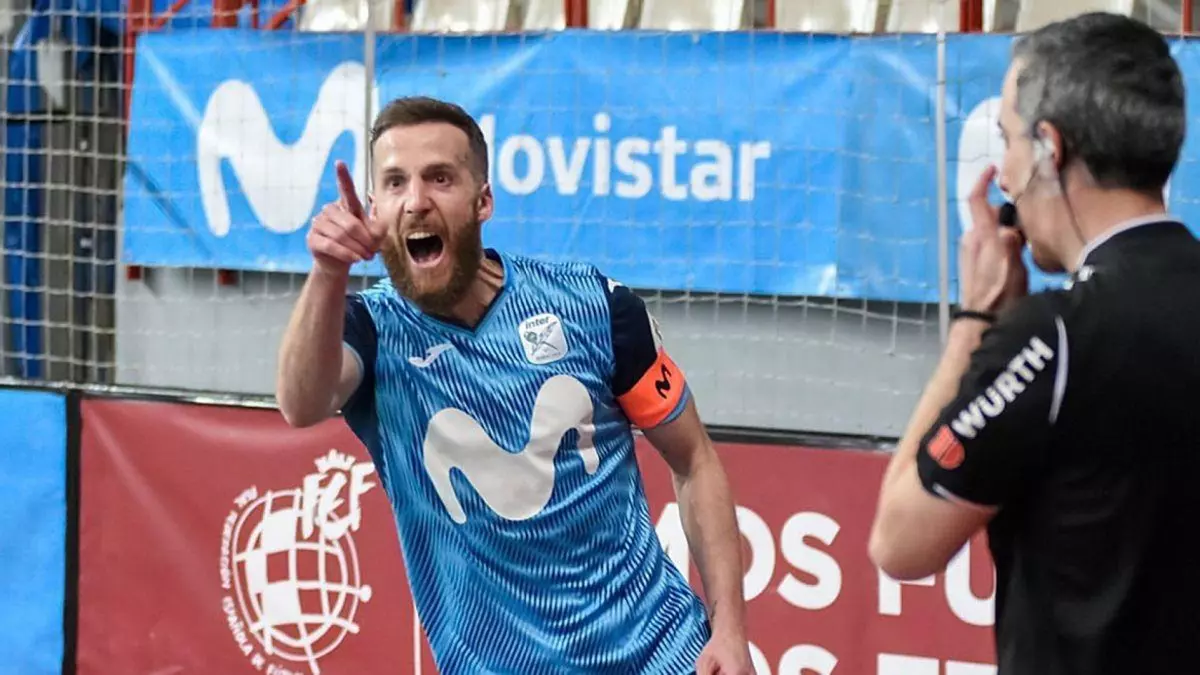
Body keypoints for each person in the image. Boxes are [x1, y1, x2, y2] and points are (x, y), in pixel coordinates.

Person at [275, 96, 753, 675]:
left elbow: (694, 460)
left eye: (440, 178)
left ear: (483, 201)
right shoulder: (372, 333)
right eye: (396, 182)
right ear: (375, 209)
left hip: (664, 653)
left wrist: (729, 632)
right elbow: (301, 403)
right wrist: (328, 271)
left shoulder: (593, 306)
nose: (417, 200)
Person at [868, 12, 1200, 675]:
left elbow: (899, 541)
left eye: (1009, 140)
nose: (1004, 175)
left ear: (1051, 148)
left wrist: (976, 319)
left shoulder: (1055, 334)